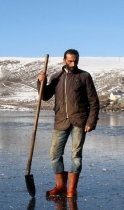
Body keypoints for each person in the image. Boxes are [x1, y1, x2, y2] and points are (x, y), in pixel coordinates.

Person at [37, 49, 100, 198]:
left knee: (76, 155)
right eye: (70, 60)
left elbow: (94, 101)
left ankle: (72, 189)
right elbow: (44, 96)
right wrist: (41, 82)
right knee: (54, 154)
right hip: (61, 121)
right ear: (64, 60)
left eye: (76, 61)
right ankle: (60, 186)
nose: (73, 64)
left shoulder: (84, 76)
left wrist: (91, 121)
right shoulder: (57, 77)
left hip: (79, 121)